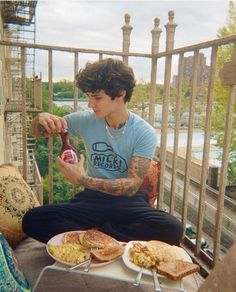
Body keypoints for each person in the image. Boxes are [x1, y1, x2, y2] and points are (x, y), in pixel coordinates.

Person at [22, 58, 183, 245]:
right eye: (89, 96)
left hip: (129, 203)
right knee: (32, 219)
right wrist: (40, 119)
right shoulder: (86, 120)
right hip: (92, 200)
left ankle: (94, 238)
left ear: (121, 94)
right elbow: (38, 132)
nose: (90, 104)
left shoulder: (143, 132)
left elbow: (131, 186)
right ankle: (109, 239)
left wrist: (82, 180)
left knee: (172, 228)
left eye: (97, 98)